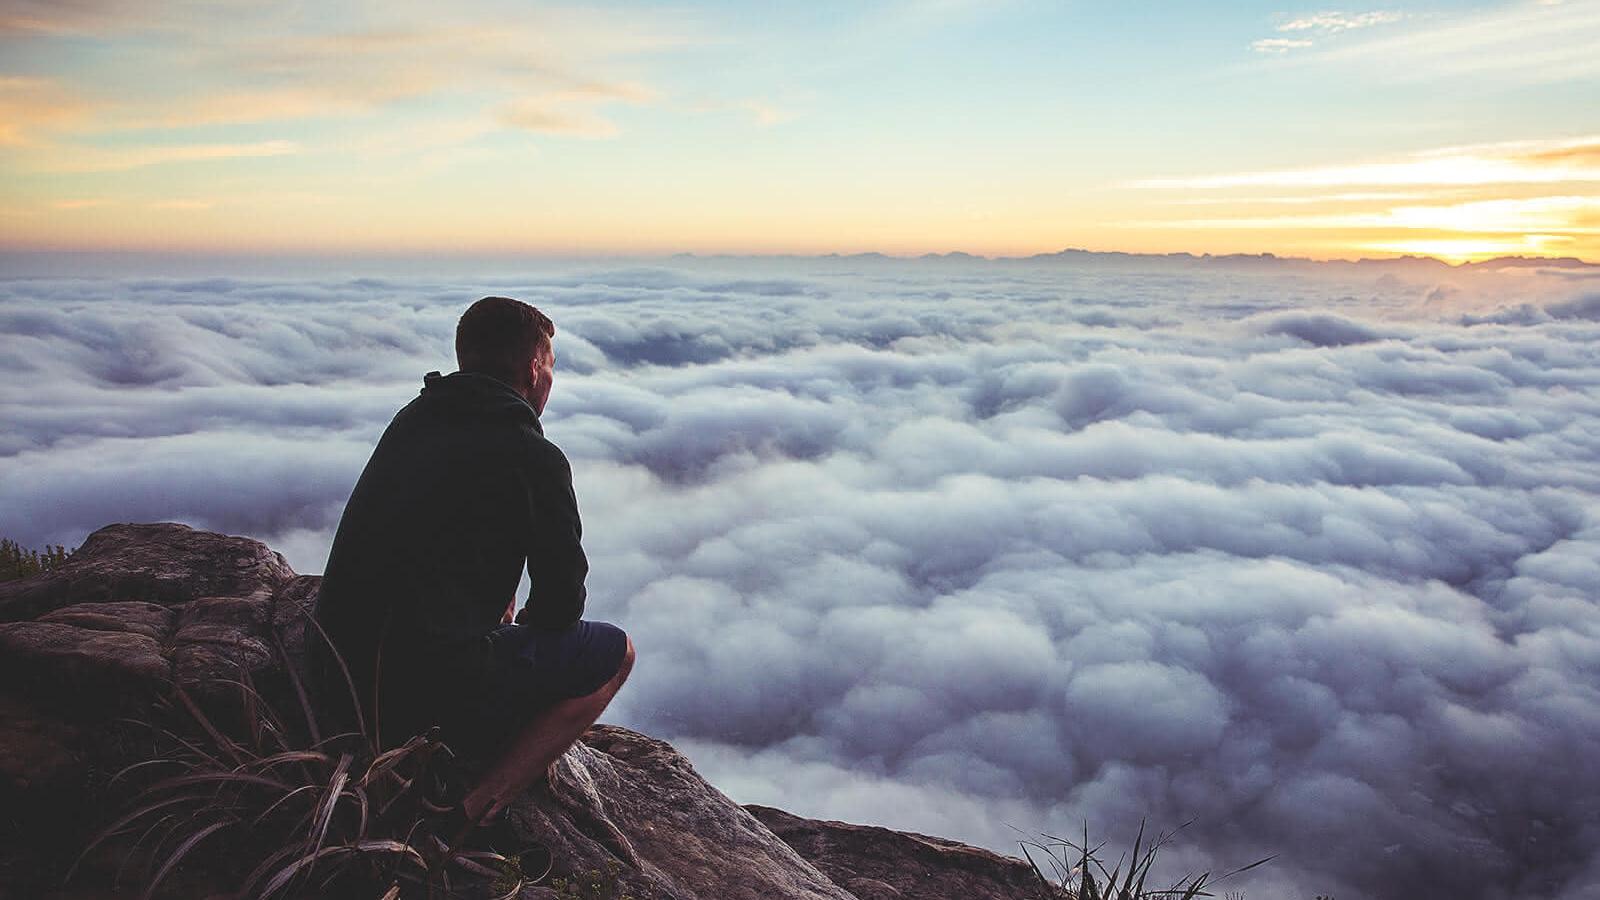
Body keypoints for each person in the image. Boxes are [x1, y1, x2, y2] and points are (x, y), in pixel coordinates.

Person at [313, 295, 634, 847]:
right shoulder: (532, 456)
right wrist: (519, 627)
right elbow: (562, 603)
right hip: (421, 692)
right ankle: (472, 808)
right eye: (550, 367)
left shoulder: (413, 419)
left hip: (335, 673)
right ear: (535, 370)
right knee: (615, 653)